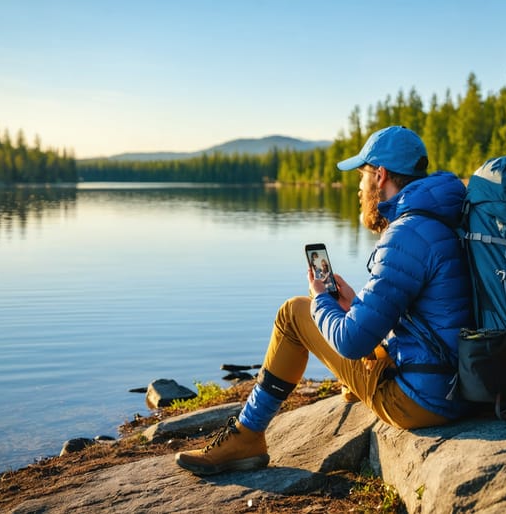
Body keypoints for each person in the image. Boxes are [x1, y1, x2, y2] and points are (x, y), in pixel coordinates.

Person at [175, 126, 472, 476]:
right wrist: (355, 303)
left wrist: (321, 300)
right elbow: (434, 312)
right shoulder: (446, 219)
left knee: (293, 314)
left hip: (424, 401)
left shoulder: (406, 233)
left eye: (361, 179)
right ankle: (345, 386)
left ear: (380, 176)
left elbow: (350, 341)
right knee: (342, 315)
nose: (359, 191)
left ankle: (247, 435)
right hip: (463, 386)